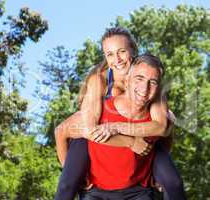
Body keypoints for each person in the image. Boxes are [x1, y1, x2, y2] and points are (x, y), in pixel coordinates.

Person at [54, 27, 186, 200]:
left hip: (140, 137)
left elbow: (162, 127)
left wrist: (155, 170)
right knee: (67, 184)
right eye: (109, 54)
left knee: (172, 181)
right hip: (95, 137)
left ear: (133, 50)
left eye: (122, 51)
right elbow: (76, 130)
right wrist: (130, 142)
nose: (117, 59)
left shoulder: (147, 74)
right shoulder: (99, 80)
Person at [81, 54, 165, 200]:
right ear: (127, 81)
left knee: (174, 183)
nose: (144, 88)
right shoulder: (99, 108)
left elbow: (164, 132)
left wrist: (117, 127)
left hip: (138, 192)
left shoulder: (156, 117)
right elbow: (62, 132)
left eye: (152, 82)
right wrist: (77, 175)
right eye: (139, 79)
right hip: (97, 191)